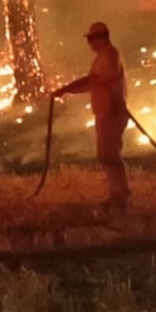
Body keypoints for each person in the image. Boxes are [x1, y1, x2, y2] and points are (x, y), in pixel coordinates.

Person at [51, 21, 131, 214]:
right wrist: (66, 91)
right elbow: (92, 83)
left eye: (91, 39)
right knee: (107, 155)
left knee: (109, 156)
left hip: (112, 112)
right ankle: (118, 195)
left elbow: (95, 81)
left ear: (101, 37)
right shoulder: (103, 57)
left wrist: (66, 89)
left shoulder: (110, 55)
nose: (89, 44)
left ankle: (119, 198)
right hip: (106, 112)